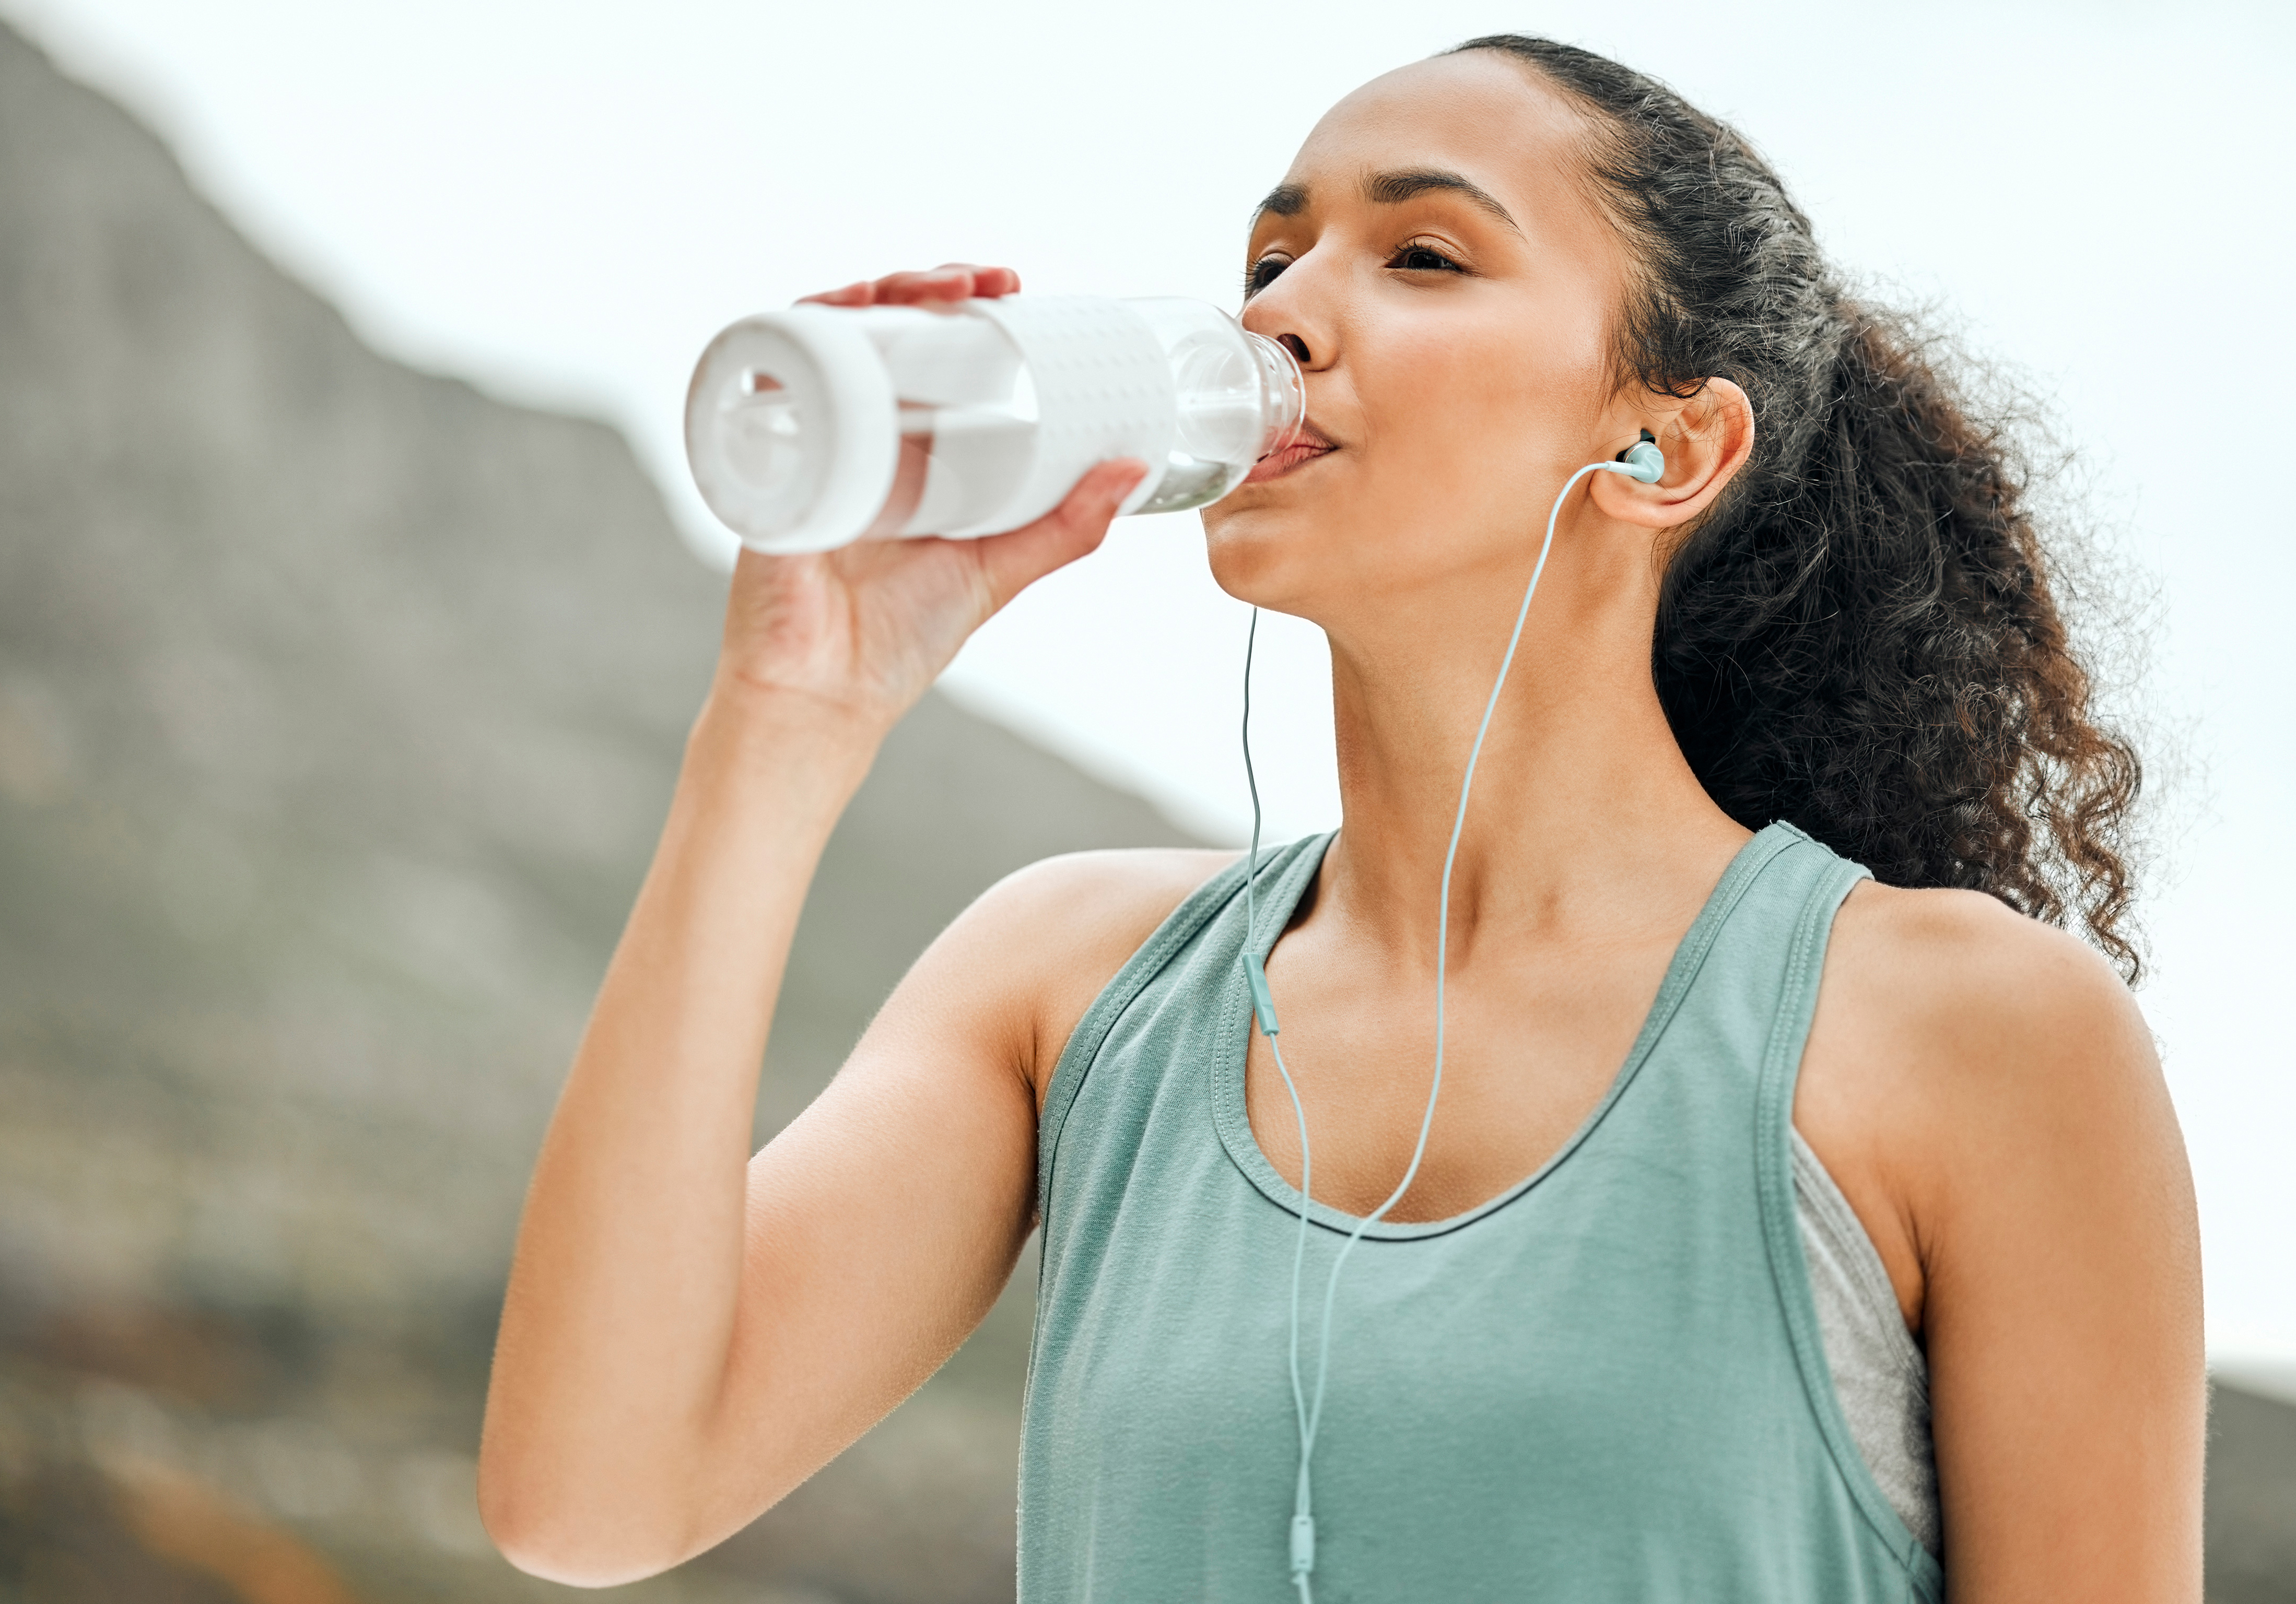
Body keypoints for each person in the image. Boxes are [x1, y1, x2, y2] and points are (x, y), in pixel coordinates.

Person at [477, 36, 2203, 1603]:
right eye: (1268, 259)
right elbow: (591, 1495)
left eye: (1424, 254)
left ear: (1666, 449)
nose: (1283, 315)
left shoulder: (1972, 1037)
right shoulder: (1070, 988)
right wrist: (790, 718)